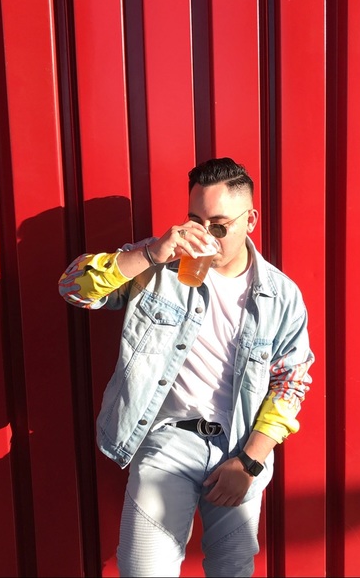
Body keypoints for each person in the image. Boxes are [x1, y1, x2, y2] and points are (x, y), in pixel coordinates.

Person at [58, 157, 314, 577]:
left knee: (232, 571)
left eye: (219, 226)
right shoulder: (157, 263)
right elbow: (73, 288)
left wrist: (249, 463)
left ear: (250, 220)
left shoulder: (281, 296)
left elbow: (291, 383)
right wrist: (150, 254)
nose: (205, 236)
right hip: (167, 442)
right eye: (196, 221)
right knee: (143, 570)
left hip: (239, 447)